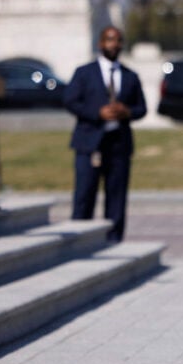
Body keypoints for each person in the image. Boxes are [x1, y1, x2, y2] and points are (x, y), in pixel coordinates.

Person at [64, 26, 147, 243]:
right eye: (109, 40)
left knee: (117, 199)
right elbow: (70, 101)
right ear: (101, 43)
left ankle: (114, 242)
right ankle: (80, 242)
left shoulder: (130, 76)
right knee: (84, 197)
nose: (114, 44)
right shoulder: (84, 73)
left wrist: (126, 112)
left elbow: (142, 108)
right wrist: (97, 113)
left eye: (118, 40)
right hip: (89, 144)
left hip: (118, 146)